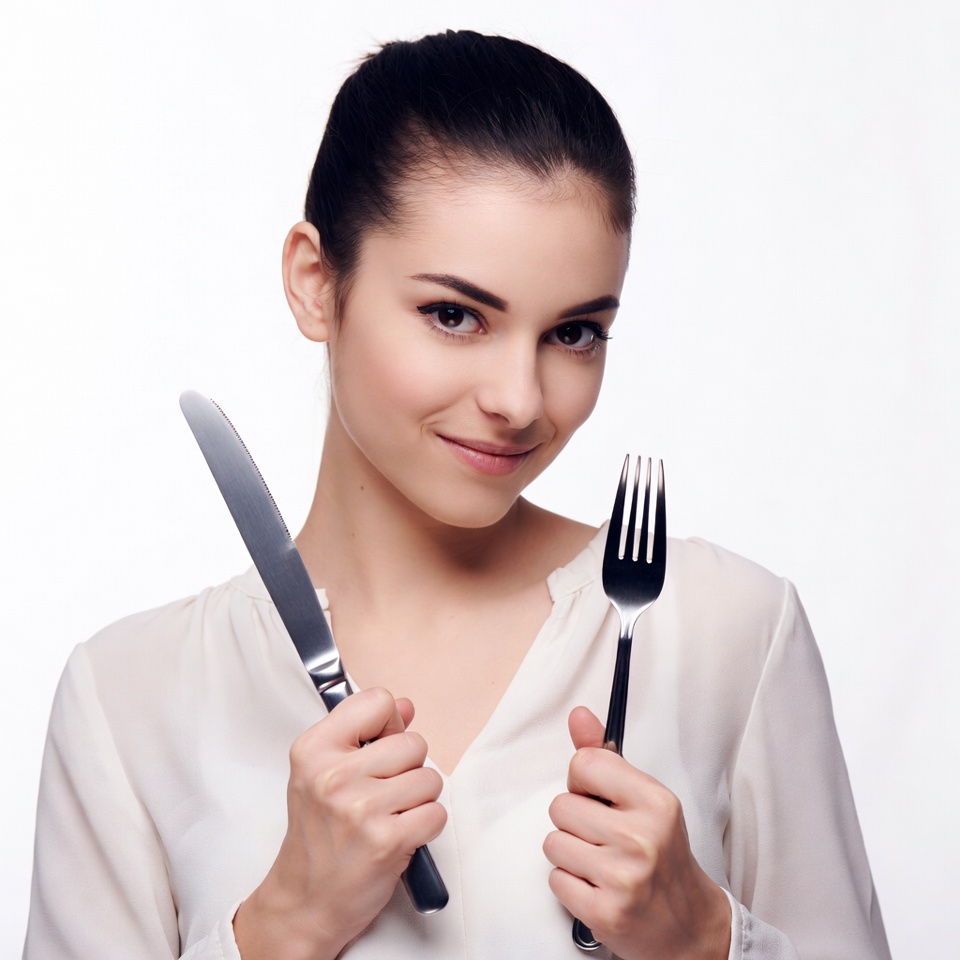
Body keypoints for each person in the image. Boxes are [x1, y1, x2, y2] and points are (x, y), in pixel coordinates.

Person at [23, 30, 891, 960]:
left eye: (574, 333)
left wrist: (709, 938)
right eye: (454, 315)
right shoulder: (128, 698)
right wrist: (280, 929)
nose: (519, 401)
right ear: (316, 284)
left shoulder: (725, 629)